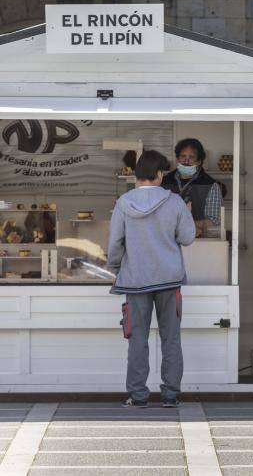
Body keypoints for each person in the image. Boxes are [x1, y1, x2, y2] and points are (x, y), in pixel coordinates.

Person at [107, 150, 196, 408]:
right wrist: (187, 213)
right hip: (169, 280)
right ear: (159, 175)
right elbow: (188, 238)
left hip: (135, 281)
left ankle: (138, 395)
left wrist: (114, 267)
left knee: (137, 339)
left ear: (138, 175)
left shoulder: (124, 203)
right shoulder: (175, 202)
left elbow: (115, 244)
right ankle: (170, 395)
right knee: (171, 338)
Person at [161, 138, 224, 238]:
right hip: (167, 241)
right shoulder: (164, 182)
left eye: (191, 157)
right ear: (177, 159)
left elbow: (214, 222)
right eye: (183, 156)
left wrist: (178, 225)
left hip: (199, 243)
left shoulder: (210, 185)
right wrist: (193, 225)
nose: (186, 161)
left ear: (199, 161)